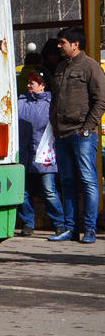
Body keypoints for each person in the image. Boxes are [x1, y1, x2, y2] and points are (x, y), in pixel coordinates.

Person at [47, 26, 102, 243]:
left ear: (75, 45)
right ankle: (70, 228)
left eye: (62, 42)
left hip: (82, 135)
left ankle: (90, 229)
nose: (59, 46)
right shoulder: (61, 66)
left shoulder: (91, 67)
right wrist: (53, 124)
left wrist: (86, 128)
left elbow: (100, 101)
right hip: (62, 134)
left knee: (88, 181)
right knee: (67, 181)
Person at [16, 68, 67, 236]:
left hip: (45, 155)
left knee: (49, 190)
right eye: (29, 82)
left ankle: (59, 223)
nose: (29, 85)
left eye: (33, 82)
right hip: (25, 154)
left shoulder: (52, 103)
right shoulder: (21, 102)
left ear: (42, 85)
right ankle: (28, 224)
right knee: (23, 191)